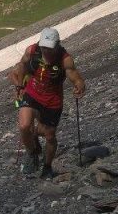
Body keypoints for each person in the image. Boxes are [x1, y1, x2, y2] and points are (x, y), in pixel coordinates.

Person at [8, 27, 86, 178]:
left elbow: (76, 78)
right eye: (44, 48)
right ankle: (32, 153)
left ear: (57, 45)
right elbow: (22, 65)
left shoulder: (65, 59)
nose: (46, 51)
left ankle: (47, 166)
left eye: (50, 48)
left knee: (49, 136)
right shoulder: (32, 51)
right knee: (24, 126)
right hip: (32, 93)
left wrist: (80, 86)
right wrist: (20, 85)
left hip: (52, 101)